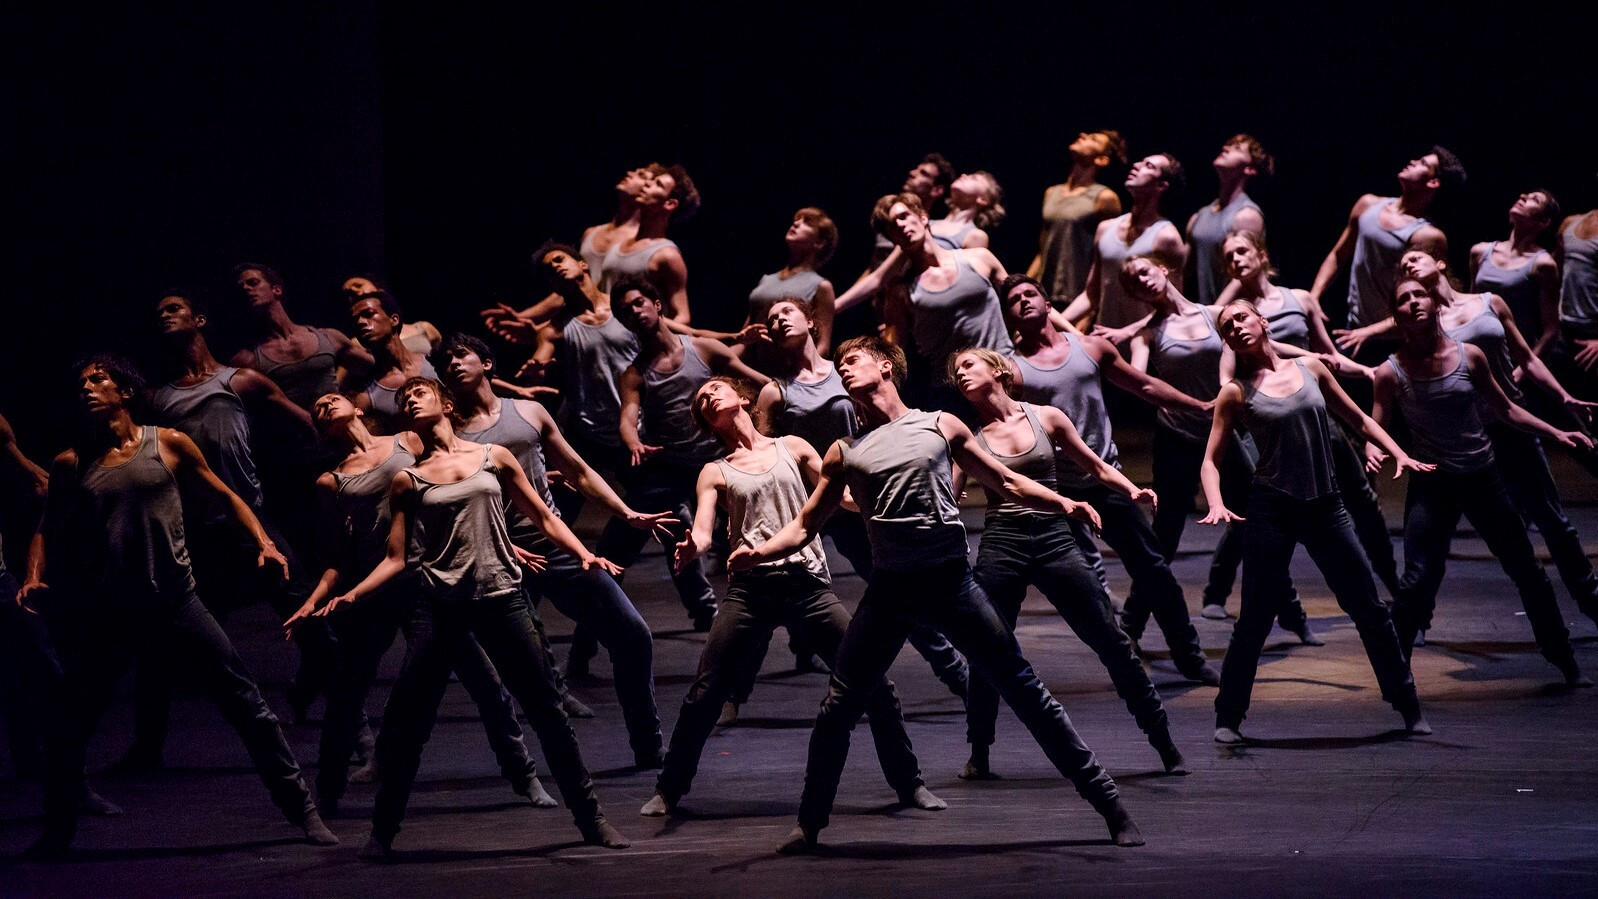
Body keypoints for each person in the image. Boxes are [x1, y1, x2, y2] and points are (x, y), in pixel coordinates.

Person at [731, 336, 1144, 854]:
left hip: (952, 582)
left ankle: (1111, 807)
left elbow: (1004, 480)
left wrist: (1065, 503)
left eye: (853, 359)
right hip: (890, 590)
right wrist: (760, 552)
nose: (844, 367)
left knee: (1025, 691)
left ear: (886, 366)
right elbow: (807, 523)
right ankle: (808, 824)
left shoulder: (939, 424)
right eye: (841, 364)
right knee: (839, 706)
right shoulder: (844, 451)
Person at [21, 355, 337, 858]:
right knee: (72, 721)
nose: (87, 388)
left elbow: (227, 494)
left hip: (177, 601)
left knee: (249, 707)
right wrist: (34, 576)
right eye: (80, 382)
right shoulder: (71, 462)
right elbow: (45, 527)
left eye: (98, 379)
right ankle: (57, 830)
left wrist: (264, 542)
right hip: (114, 613)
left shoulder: (166, 442)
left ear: (125, 392)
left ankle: (303, 811)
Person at [314, 377, 630, 857]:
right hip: (439, 607)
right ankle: (382, 832)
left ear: (444, 403)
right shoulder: (409, 479)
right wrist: (352, 596)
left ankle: (591, 819)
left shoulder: (492, 458)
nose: (409, 399)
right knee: (410, 724)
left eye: (418, 392)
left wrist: (584, 553)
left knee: (547, 712)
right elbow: (397, 557)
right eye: (403, 399)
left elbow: (544, 517)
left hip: (502, 597)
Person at [639, 376, 945, 818]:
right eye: (701, 400)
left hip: (807, 585)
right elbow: (705, 530)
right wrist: (695, 547)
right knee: (706, 691)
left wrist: (888, 496)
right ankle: (668, 790)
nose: (708, 397)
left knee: (875, 683)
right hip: (750, 589)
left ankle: (910, 784)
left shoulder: (794, 447)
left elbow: (842, 497)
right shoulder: (715, 470)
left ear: (742, 397)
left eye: (714, 389)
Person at [282, 393, 557, 817]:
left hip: (425, 584)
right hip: (371, 589)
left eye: (333, 398)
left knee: (485, 681)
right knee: (347, 693)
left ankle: (525, 775)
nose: (325, 403)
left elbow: (450, 490)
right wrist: (314, 600)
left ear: (358, 409)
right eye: (318, 406)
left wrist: (504, 543)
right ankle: (328, 793)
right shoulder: (330, 481)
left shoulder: (407, 442)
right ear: (319, 429)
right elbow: (336, 559)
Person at [1199, 302, 1431, 744]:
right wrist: (1215, 501)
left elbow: (1359, 418)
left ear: (1262, 321)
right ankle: (1228, 716)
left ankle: (1408, 705)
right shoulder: (1236, 391)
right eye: (1227, 327)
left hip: (1326, 506)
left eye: (1241, 318)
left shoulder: (1311, 369)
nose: (1236, 327)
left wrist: (1398, 451)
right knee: (1255, 616)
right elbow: (1211, 461)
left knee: (1367, 605)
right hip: (1273, 509)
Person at [949, 348, 1185, 779]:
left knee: (1111, 641)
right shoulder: (967, 436)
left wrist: (1133, 490)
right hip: (1003, 542)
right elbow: (947, 494)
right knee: (987, 647)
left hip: (1055, 538)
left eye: (968, 365)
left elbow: (1094, 466)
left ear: (998, 370)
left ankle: (1163, 740)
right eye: (955, 372)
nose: (960, 375)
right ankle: (979, 750)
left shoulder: (1046, 417)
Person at [442, 332, 674, 767]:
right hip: (494, 556)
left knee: (633, 635)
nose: (453, 363)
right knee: (508, 671)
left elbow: (579, 471)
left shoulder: (528, 412)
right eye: (446, 361)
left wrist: (625, 512)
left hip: (552, 543)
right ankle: (530, 768)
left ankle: (648, 744)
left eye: (461, 354)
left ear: (487, 364)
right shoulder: (447, 434)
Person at [136, 293, 330, 765]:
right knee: (166, 641)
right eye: (156, 311)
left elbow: (308, 423)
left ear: (199, 319)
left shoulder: (241, 380)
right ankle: (145, 750)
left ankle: (313, 699)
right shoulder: (154, 399)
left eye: (173, 308)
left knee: (315, 623)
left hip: (252, 524)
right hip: (196, 534)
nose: (163, 314)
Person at [1001, 274, 1224, 683]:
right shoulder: (1011, 371)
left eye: (1030, 293)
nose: (1024, 302)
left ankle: (1189, 657)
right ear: (1009, 317)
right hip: (1054, 490)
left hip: (1106, 480)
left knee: (1154, 571)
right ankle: (999, 669)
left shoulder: (1090, 348)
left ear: (1049, 304)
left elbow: (1145, 385)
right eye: (1014, 300)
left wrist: (1199, 405)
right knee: (1043, 582)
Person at [749, 297, 971, 705]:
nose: (778, 320)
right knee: (769, 591)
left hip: (859, 495)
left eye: (786, 313)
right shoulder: (775, 392)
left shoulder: (848, 373)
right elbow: (762, 453)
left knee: (893, 589)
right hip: (811, 499)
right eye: (771, 318)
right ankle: (734, 691)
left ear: (811, 322)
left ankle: (956, 674)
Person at [1372, 277, 1591, 685]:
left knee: (1527, 569)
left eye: (1420, 294)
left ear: (1435, 305)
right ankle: (1393, 670)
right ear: (1397, 316)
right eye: (1403, 299)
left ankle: (1563, 659)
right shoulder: (1390, 371)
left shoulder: (1469, 356)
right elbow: (1376, 424)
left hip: (1481, 475)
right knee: (1417, 577)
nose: (1414, 302)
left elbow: (1507, 409)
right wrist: (1374, 449)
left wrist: (1557, 432)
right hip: (1432, 482)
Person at [1119, 256, 1323, 648]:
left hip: (1225, 434)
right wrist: (1178, 401)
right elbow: (1138, 379)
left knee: (1257, 524)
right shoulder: (1147, 334)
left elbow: (1262, 344)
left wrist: (1314, 359)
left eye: (1144, 271)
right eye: (1132, 282)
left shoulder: (1216, 314)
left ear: (1164, 269)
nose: (1142, 280)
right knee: (1164, 537)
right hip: (1178, 439)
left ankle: (1293, 614)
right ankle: (1131, 626)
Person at [1395, 247, 1598, 627]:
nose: (1408, 263)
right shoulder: (1422, 320)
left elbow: (1528, 356)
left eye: (1416, 257)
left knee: (1553, 522)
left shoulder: (1489, 302)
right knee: (1435, 541)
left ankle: (1591, 602)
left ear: (1440, 262)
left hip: (1512, 427)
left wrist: (1564, 397)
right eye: (1402, 265)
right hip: (1465, 440)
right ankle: (1418, 621)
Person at [1204, 231, 1399, 617]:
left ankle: (1396, 588)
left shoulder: (1299, 299)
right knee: (1257, 508)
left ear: (1261, 254)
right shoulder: (1231, 319)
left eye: (1242, 251)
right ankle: (1217, 591)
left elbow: (1326, 356)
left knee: (1363, 502)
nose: (1236, 260)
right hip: (1274, 422)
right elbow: (1228, 378)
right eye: (1228, 258)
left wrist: (1361, 369)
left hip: (1317, 418)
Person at [603, 276, 770, 630]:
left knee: (765, 527)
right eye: (624, 312)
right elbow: (627, 418)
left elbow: (759, 382)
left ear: (657, 304)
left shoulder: (703, 349)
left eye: (638, 303)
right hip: (670, 467)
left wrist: (774, 421)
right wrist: (633, 441)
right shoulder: (635, 373)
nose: (634, 313)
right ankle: (704, 614)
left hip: (718, 459)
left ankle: (801, 634)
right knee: (662, 534)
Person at [833, 193, 1012, 409]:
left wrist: (1065, 332)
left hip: (1005, 368)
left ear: (923, 217)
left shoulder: (978, 258)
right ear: (892, 239)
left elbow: (1022, 296)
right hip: (955, 390)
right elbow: (893, 348)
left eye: (904, 216)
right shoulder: (902, 292)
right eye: (892, 226)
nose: (900, 225)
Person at [1308, 148, 1462, 367]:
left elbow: (1426, 297)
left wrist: (1369, 332)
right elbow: (1338, 255)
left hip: (1397, 338)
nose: (1412, 161)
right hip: (1355, 329)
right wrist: (1314, 297)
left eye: (1422, 164)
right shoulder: (1368, 204)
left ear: (1433, 183)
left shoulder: (1427, 235)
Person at [480, 164, 657, 334]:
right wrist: (521, 317)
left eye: (641, 176)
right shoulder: (592, 233)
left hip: (629, 329)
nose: (630, 173)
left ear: (649, 189)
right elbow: (573, 287)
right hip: (590, 327)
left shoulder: (643, 243)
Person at [1060, 153, 1188, 330]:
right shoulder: (1106, 228)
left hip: (1146, 347)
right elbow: (1091, 295)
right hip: (1106, 343)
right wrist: (1050, 323)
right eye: (1141, 161)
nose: (1136, 165)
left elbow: (1174, 305)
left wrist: (1126, 333)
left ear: (1161, 186)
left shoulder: (1166, 237)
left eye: (1148, 166)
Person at [229, 263, 372, 413]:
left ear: (276, 289)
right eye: (241, 288)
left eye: (252, 283)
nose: (246, 288)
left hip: (339, 429)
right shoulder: (246, 360)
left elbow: (376, 369)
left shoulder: (328, 337)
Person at [1029, 130, 1128, 305]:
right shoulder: (1052, 192)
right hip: (1044, 292)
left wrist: (1089, 310)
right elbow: (1043, 248)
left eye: (1093, 139)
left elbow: (1107, 258)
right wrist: (1026, 284)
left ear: (1101, 160)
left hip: (1076, 295)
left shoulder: (1104, 198)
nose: (1082, 135)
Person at [600, 165, 700, 323]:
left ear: (670, 204)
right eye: (651, 180)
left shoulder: (667, 255)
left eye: (657, 184)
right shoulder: (618, 245)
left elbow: (682, 315)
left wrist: (652, 337)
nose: (647, 184)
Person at [741, 207, 839, 365]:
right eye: (796, 219)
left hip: (788, 370)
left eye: (807, 222)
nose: (796, 223)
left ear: (819, 243)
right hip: (752, 368)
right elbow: (746, 335)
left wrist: (798, 377)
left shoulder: (821, 286)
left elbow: (822, 345)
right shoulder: (766, 280)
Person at [1469, 191, 1562, 353]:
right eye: (1524, 196)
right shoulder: (1480, 252)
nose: (1522, 197)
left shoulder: (1543, 264)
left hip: (1516, 354)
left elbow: (1551, 329)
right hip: (1479, 349)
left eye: (1535, 200)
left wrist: (1523, 370)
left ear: (1543, 222)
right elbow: (1471, 303)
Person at [1186, 135, 1270, 306]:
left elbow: (1245, 276)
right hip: (1205, 315)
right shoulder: (1199, 216)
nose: (1225, 149)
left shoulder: (1246, 215)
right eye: (1227, 146)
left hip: (1233, 319)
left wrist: (1214, 315)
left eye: (1237, 149)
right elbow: (1182, 273)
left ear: (1250, 169)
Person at [349, 290, 438, 434]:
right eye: (355, 320)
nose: (360, 322)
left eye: (369, 314)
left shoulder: (435, 363)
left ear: (394, 319)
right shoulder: (366, 396)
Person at [342, 275, 443, 357]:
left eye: (358, 285)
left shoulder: (423, 328)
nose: (355, 291)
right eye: (348, 293)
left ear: (378, 288)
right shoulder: (357, 343)